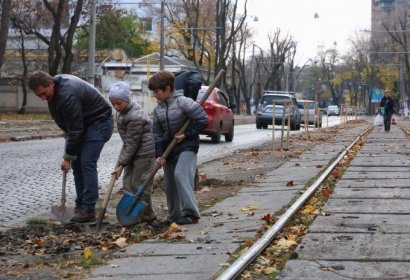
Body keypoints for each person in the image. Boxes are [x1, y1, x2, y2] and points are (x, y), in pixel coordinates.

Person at [28, 71, 113, 223]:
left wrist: (67, 158)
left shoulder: (67, 95)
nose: (42, 98)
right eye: (38, 95)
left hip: (99, 122)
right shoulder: (54, 91)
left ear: (51, 84)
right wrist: (66, 129)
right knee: (78, 164)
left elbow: (76, 130)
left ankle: (88, 209)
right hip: (83, 124)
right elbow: (72, 126)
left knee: (86, 162)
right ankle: (80, 205)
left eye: (44, 93)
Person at [148, 70, 208, 225]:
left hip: (187, 146)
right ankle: (174, 216)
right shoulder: (158, 109)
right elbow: (157, 133)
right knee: (169, 185)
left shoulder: (184, 102)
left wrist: (186, 134)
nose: (155, 95)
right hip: (169, 150)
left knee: (180, 175)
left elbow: (202, 120)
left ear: (168, 89)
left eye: (157, 92)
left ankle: (191, 214)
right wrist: (160, 154)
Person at [108, 81, 157, 224]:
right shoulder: (124, 112)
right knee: (128, 184)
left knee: (140, 186)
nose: (116, 107)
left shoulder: (135, 116)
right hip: (132, 154)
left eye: (119, 103)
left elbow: (132, 143)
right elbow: (129, 143)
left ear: (127, 100)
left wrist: (121, 164)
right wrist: (123, 162)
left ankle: (148, 217)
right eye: (113, 104)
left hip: (144, 155)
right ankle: (133, 216)